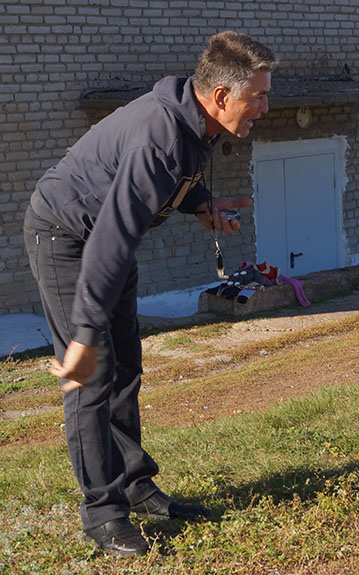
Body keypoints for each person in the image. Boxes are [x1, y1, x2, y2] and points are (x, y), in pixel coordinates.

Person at [22, 31, 277, 556]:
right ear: (222, 95)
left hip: (103, 241)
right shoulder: (156, 138)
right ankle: (103, 514)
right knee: (91, 375)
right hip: (67, 236)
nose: (265, 107)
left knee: (125, 367)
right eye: (259, 96)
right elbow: (111, 239)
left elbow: (176, 177)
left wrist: (201, 203)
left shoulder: (197, 124)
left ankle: (135, 486)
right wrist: (84, 334)